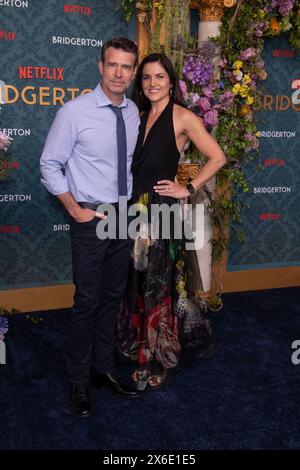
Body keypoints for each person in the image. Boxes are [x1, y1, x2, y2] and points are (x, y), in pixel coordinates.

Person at [40, 37, 141, 417]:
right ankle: (78, 379)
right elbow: (50, 164)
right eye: (112, 65)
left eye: (126, 67)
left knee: (112, 297)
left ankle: (103, 370)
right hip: (90, 216)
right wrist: (74, 209)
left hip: (122, 215)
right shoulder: (74, 112)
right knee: (87, 300)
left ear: (133, 72)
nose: (119, 73)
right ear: (100, 66)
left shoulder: (133, 112)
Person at [116, 53, 226, 391]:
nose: (152, 83)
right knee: (135, 284)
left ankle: (161, 357)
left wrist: (187, 187)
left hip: (162, 213)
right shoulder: (139, 116)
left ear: (171, 80)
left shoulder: (183, 117)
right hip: (134, 211)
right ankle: (139, 348)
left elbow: (217, 156)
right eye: (146, 77)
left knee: (159, 287)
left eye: (159, 77)